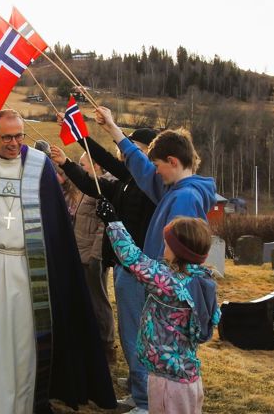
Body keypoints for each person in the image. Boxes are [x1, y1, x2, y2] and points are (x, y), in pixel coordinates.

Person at [0, 109, 116, 413]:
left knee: (27, 339)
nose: (14, 143)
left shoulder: (40, 166)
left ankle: (27, 403)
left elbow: (56, 224)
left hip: (31, 270)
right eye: (7, 137)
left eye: (19, 136)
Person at [95, 107, 216, 413]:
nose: (155, 172)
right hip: (157, 283)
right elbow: (143, 169)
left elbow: (177, 259)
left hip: (159, 286)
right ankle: (146, 398)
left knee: (155, 346)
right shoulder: (177, 188)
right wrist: (114, 129)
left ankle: (147, 403)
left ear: (173, 162)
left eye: (159, 165)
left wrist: (114, 225)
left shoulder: (184, 198)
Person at [50, 128, 157, 409]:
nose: (126, 152)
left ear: (148, 152)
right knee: (132, 331)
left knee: (134, 333)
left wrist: (81, 133)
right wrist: (67, 163)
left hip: (136, 268)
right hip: (125, 264)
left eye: (133, 148)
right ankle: (137, 382)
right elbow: (91, 185)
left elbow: (108, 162)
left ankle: (143, 398)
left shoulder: (146, 185)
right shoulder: (128, 181)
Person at [96, 199, 220, 414]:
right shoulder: (202, 280)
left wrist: (112, 222)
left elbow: (134, 259)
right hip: (188, 377)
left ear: (179, 251)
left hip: (167, 380)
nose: (164, 248)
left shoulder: (168, 282)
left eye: (167, 244)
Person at [55, 150, 116, 365]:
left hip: (92, 256)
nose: (80, 169)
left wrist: (96, 257)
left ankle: (107, 346)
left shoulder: (102, 188)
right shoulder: (87, 186)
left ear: (96, 165)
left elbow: (103, 227)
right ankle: (91, 342)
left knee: (98, 302)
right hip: (81, 252)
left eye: (83, 165)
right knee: (88, 300)